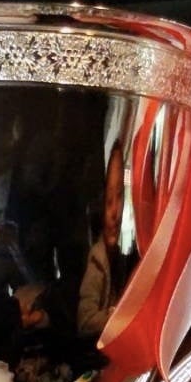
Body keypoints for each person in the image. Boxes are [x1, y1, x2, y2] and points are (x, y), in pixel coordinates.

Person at [77, 142, 128, 338]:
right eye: (109, 201)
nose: (115, 212)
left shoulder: (122, 257)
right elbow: (85, 321)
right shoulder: (97, 259)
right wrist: (118, 317)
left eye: (120, 197)